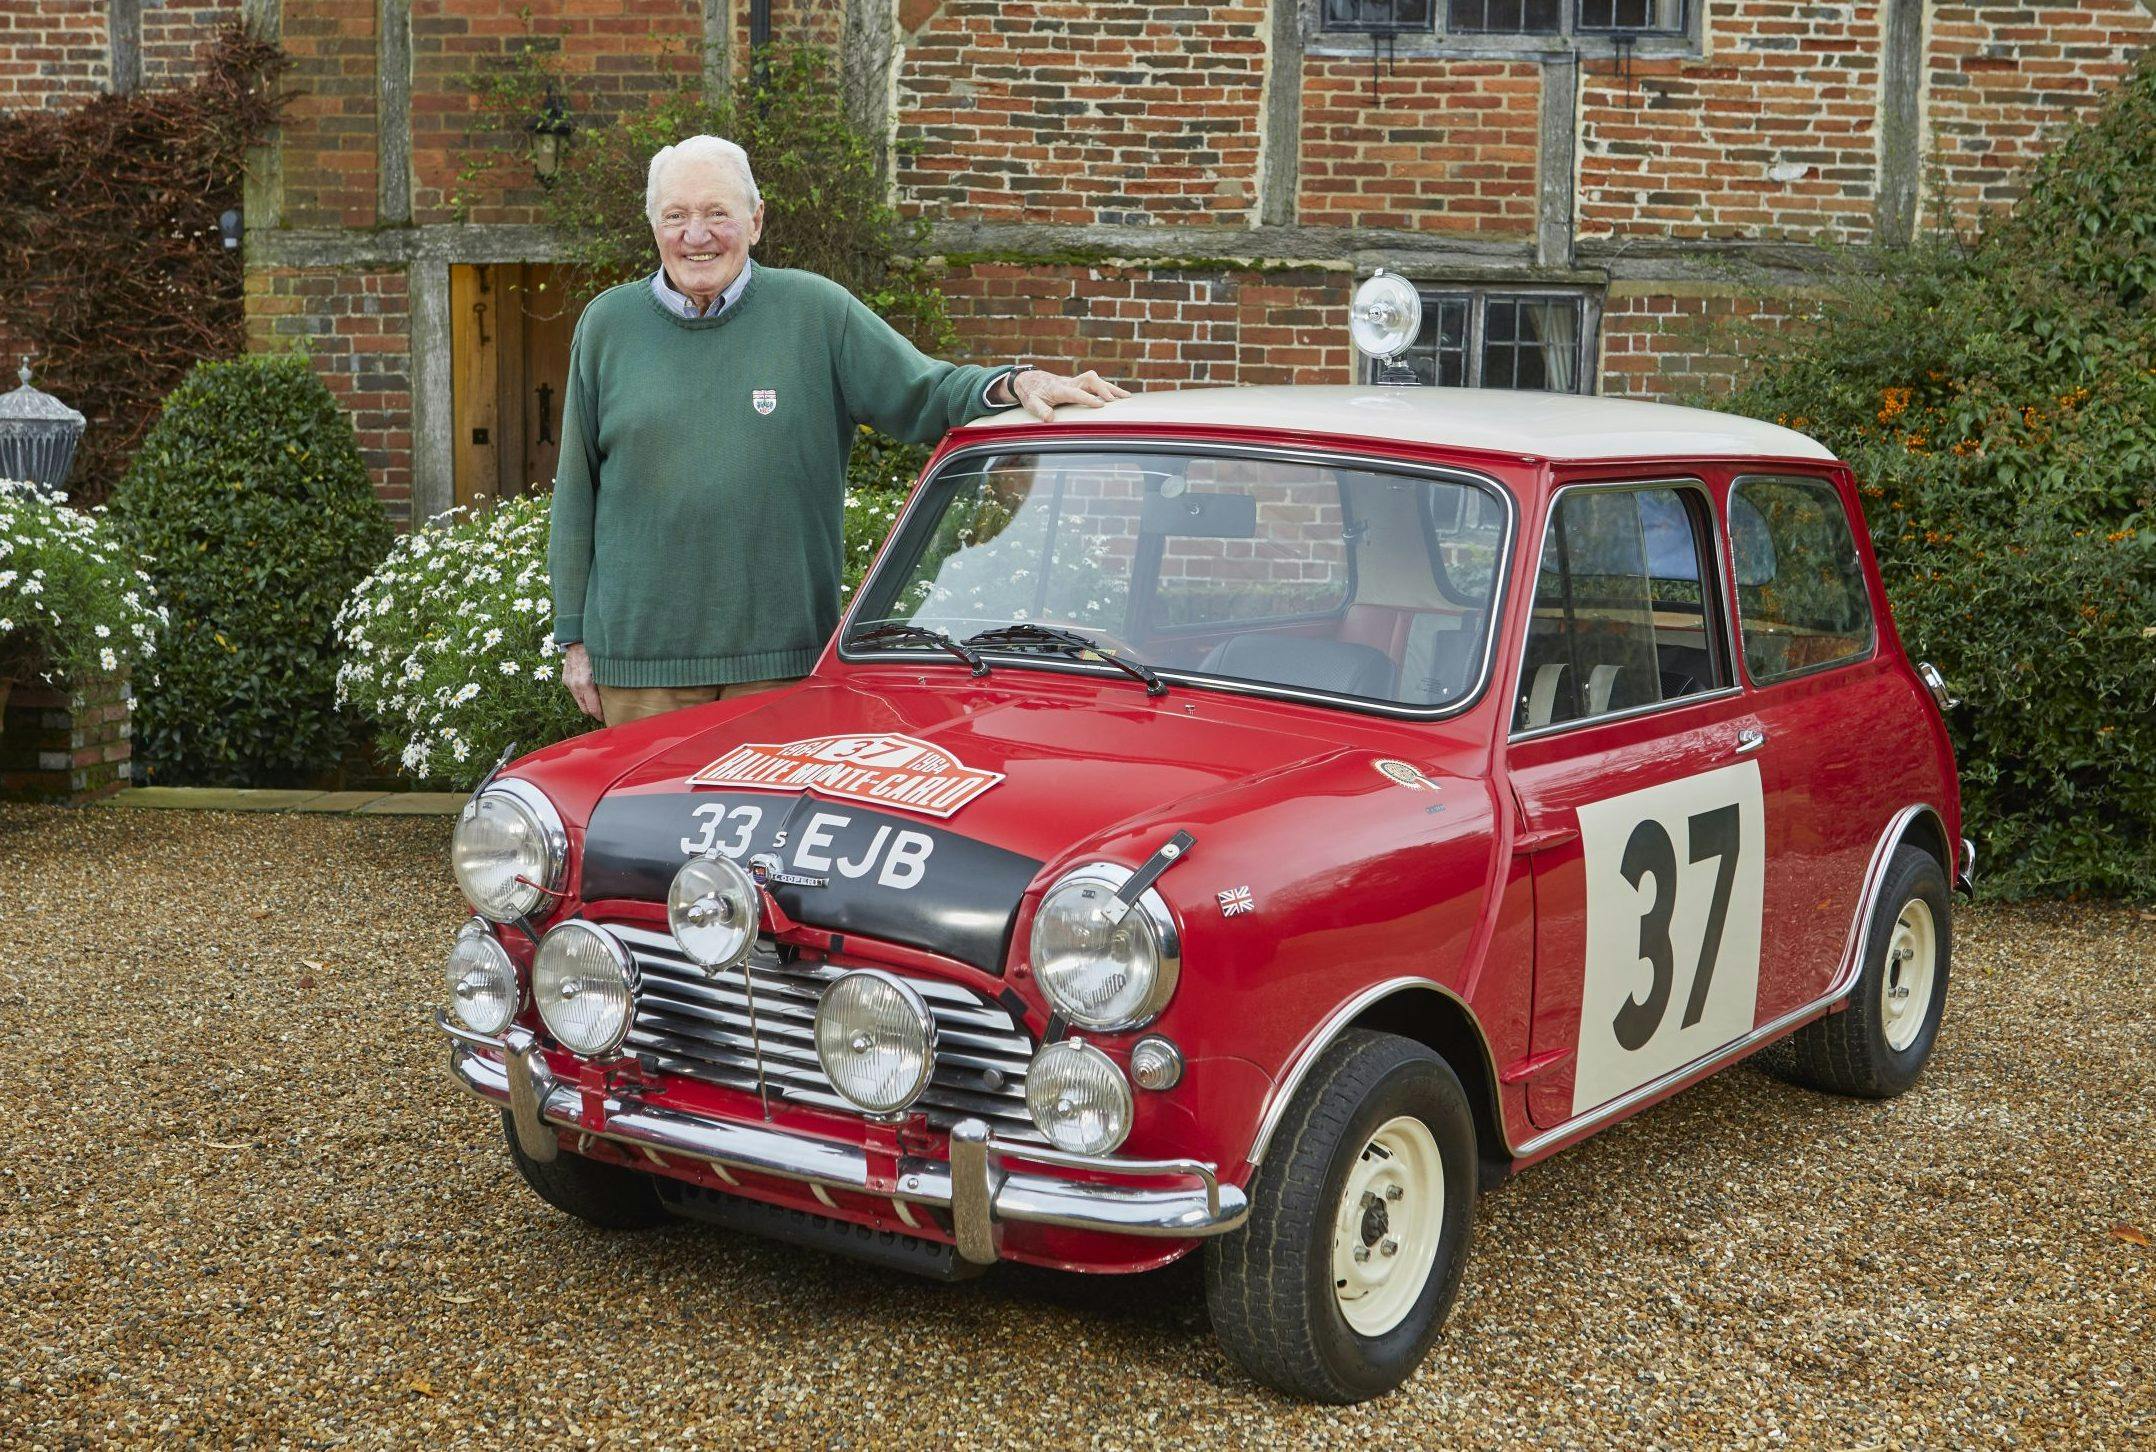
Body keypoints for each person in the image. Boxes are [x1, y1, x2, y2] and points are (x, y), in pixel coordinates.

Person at [549, 135, 1128, 727]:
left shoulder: (817, 313)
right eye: (676, 216)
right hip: (641, 669)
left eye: (717, 212)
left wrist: (1016, 383)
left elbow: (926, 393)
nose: (696, 235)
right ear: (655, 227)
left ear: (756, 219)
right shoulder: (607, 326)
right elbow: (576, 491)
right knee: (640, 821)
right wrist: (574, 637)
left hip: (781, 661)